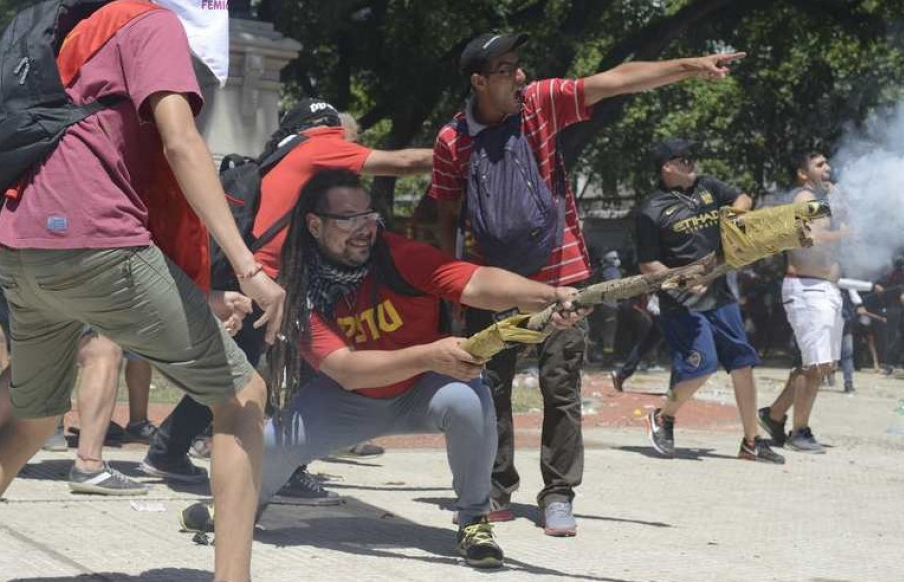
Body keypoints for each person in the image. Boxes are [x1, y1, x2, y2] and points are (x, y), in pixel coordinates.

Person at [0, 0, 284, 580]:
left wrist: (194, 286)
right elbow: (181, 144)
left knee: (27, 425)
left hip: (20, 245)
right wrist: (247, 266)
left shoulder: (88, 30)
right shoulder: (155, 22)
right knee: (244, 397)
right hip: (95, 240)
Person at [432, 31, 745, 534]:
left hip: (563, 280)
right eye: (507, 68)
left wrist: (691, 64)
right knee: (491, 391)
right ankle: (494, 486)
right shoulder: (452, 141)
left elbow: (616, 80)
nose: (521, 75)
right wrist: (450, 288)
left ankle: (558, 492)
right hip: (490, 286)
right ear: (477, 81)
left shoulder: (539, 104)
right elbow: (446, 214)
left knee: (561, 389)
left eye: (520, 64)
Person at [250, 169, 585, 568]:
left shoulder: (397, 255)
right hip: (347, 398)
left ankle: (474, 519)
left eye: (369, 217)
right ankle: (239, 508)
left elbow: (475, 283)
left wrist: (550, 297)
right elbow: (346, 370)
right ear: (315, 225)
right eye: (348, 219)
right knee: (269, 445)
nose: (363, 229)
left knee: (470, 398)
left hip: (422, 391)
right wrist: (428, 355)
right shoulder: (298, 284)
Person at [141, 98, 431, 500]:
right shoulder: (320, 146)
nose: (352, 145)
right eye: (347, 136)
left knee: (238, 371)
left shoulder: (284, 153)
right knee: (300, 373)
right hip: (273, 283)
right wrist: (457, 150)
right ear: (329, 129)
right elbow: (403, 163)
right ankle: (286, 467)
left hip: (256, 276)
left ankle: (167, 452)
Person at [636, 137, 783, 464]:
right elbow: (648, 263)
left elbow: (743, 198)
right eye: (683, 158)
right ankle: (663, 415)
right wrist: (683, 281)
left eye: (692, 156)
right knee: (702, 365)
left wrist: (733, 218)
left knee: (742, 363)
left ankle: (751, 442)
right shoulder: (651, 209)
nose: (692, 162)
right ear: (667, 167)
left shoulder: (709, 187)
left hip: (720, 292)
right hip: (682, 299)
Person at [759, 152, 848, 453]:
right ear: (803, 173)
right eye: (819, 165)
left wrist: (841, 203)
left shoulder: (823, 201)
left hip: (824, 289)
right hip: (807, 289)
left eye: (827, 164)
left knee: (820, 365)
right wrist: (842, 232)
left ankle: (772, 415)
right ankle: (800, 431)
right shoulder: (802, 198)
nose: (828, 168)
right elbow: (809, 237)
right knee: (815, 365)